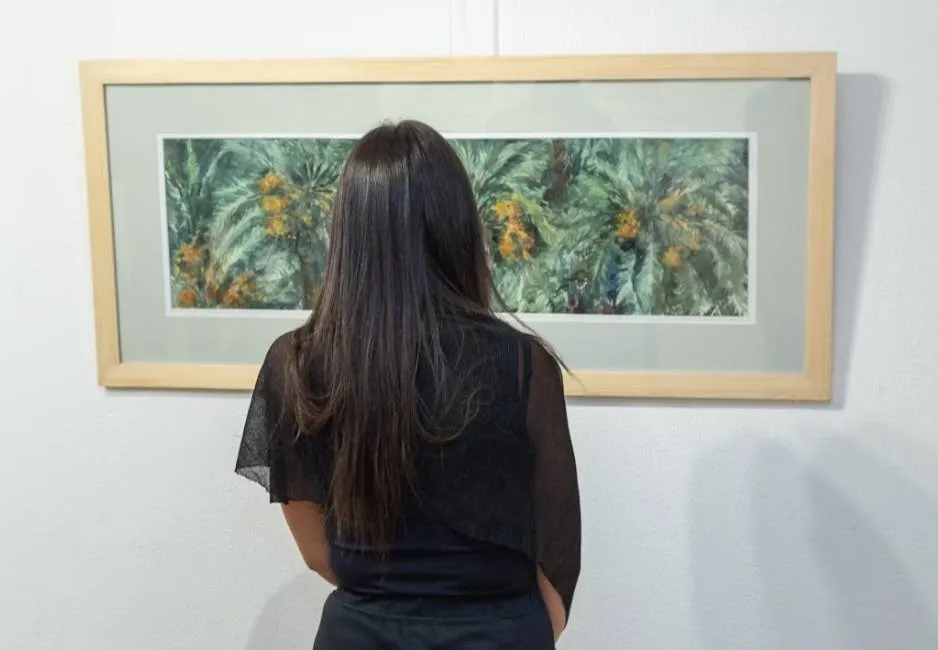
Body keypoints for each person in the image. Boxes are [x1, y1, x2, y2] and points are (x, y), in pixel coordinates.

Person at [235, 119, 581, 649]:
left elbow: (317, 551)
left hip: (361, 634)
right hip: (499, 633)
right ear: (458, 229)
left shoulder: (298, 362)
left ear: (349, 230)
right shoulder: (522, 364)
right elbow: (558, 553)